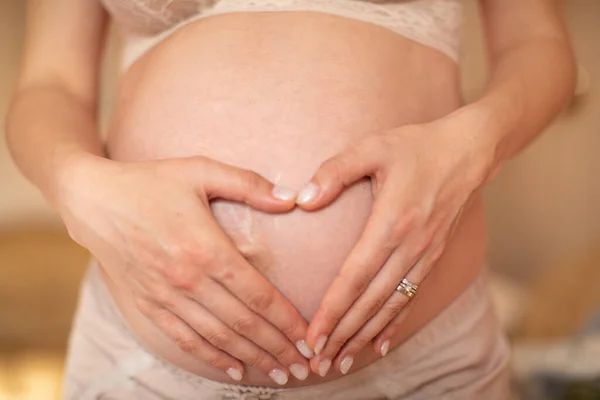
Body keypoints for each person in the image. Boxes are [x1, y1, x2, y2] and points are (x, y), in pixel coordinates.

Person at [6, 0, 575, 399]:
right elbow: (50, 84)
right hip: (144, 368)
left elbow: (539, 45)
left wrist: (473, 144)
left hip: (425, 370)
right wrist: (78, 186)